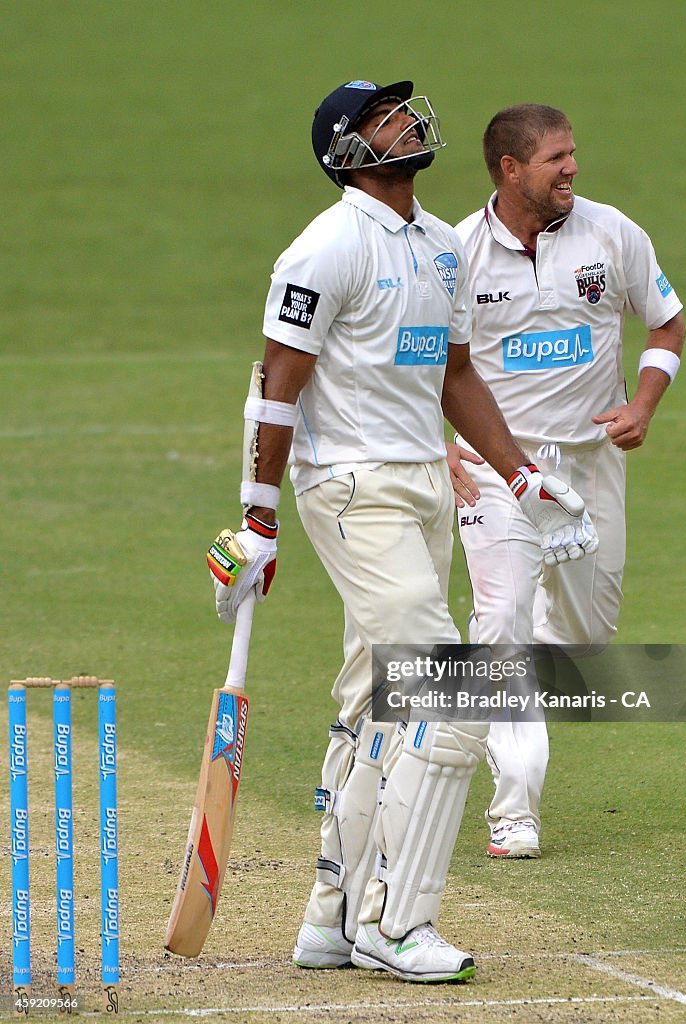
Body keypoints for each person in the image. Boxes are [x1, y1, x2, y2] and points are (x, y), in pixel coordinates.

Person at [207, 82, 597, 982]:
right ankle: (396, 924)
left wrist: (521, 474)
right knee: (448, 693)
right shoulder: (325, 248)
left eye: (405, 112)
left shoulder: (441, 245)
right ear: (348, 150)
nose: (408, 123)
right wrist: (256, 518)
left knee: (374, 704)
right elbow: (275, 384)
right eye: (385, 117)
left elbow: (456, 373)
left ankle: (332, 921)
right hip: (350, 489)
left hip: (426, 485)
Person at [449, 103, 685, 859]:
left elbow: (667, 324)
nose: (573, 169)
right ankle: (513, 813)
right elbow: (426, 363)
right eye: (556, 159)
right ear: (510, 169)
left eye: (573, 154)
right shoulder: (456, 252)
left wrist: (644, 402)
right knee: (505, 627)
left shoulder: (613, 233)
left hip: (589, 469)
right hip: (497, 471)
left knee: (585, 637)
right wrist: (438, 446)